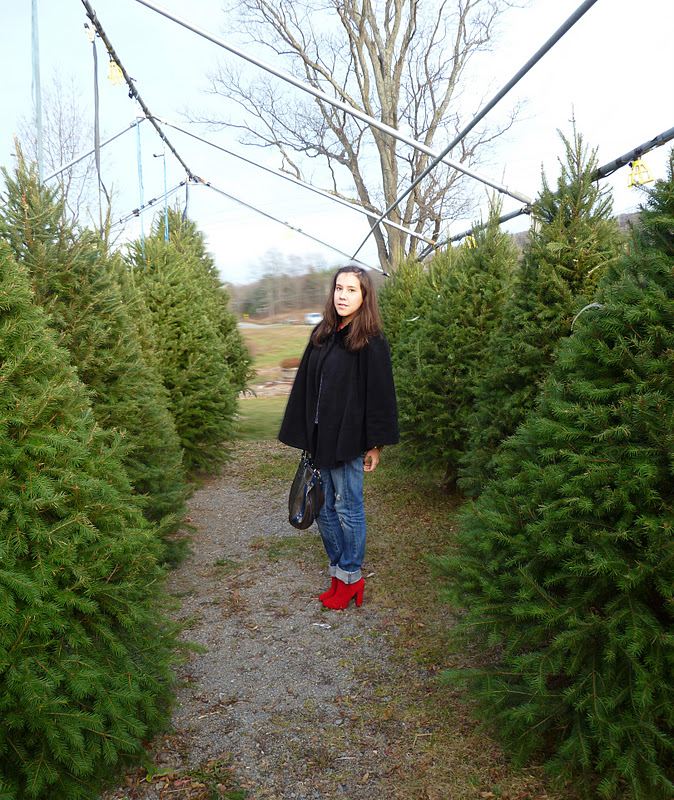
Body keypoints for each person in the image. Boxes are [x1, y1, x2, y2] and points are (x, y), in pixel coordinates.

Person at [278, 264, 399, 610]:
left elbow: (380, 395)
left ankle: (351, 577)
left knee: (348, 507)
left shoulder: (370, 341)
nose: (343, 296)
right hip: (320, 437)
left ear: (364, 296)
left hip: (348, 439)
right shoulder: (323, 334)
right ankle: (339, 573)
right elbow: (306, 386)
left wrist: (374, 443)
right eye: (339, 289)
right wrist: (304, 431)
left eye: (351, 290)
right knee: (323, 508)